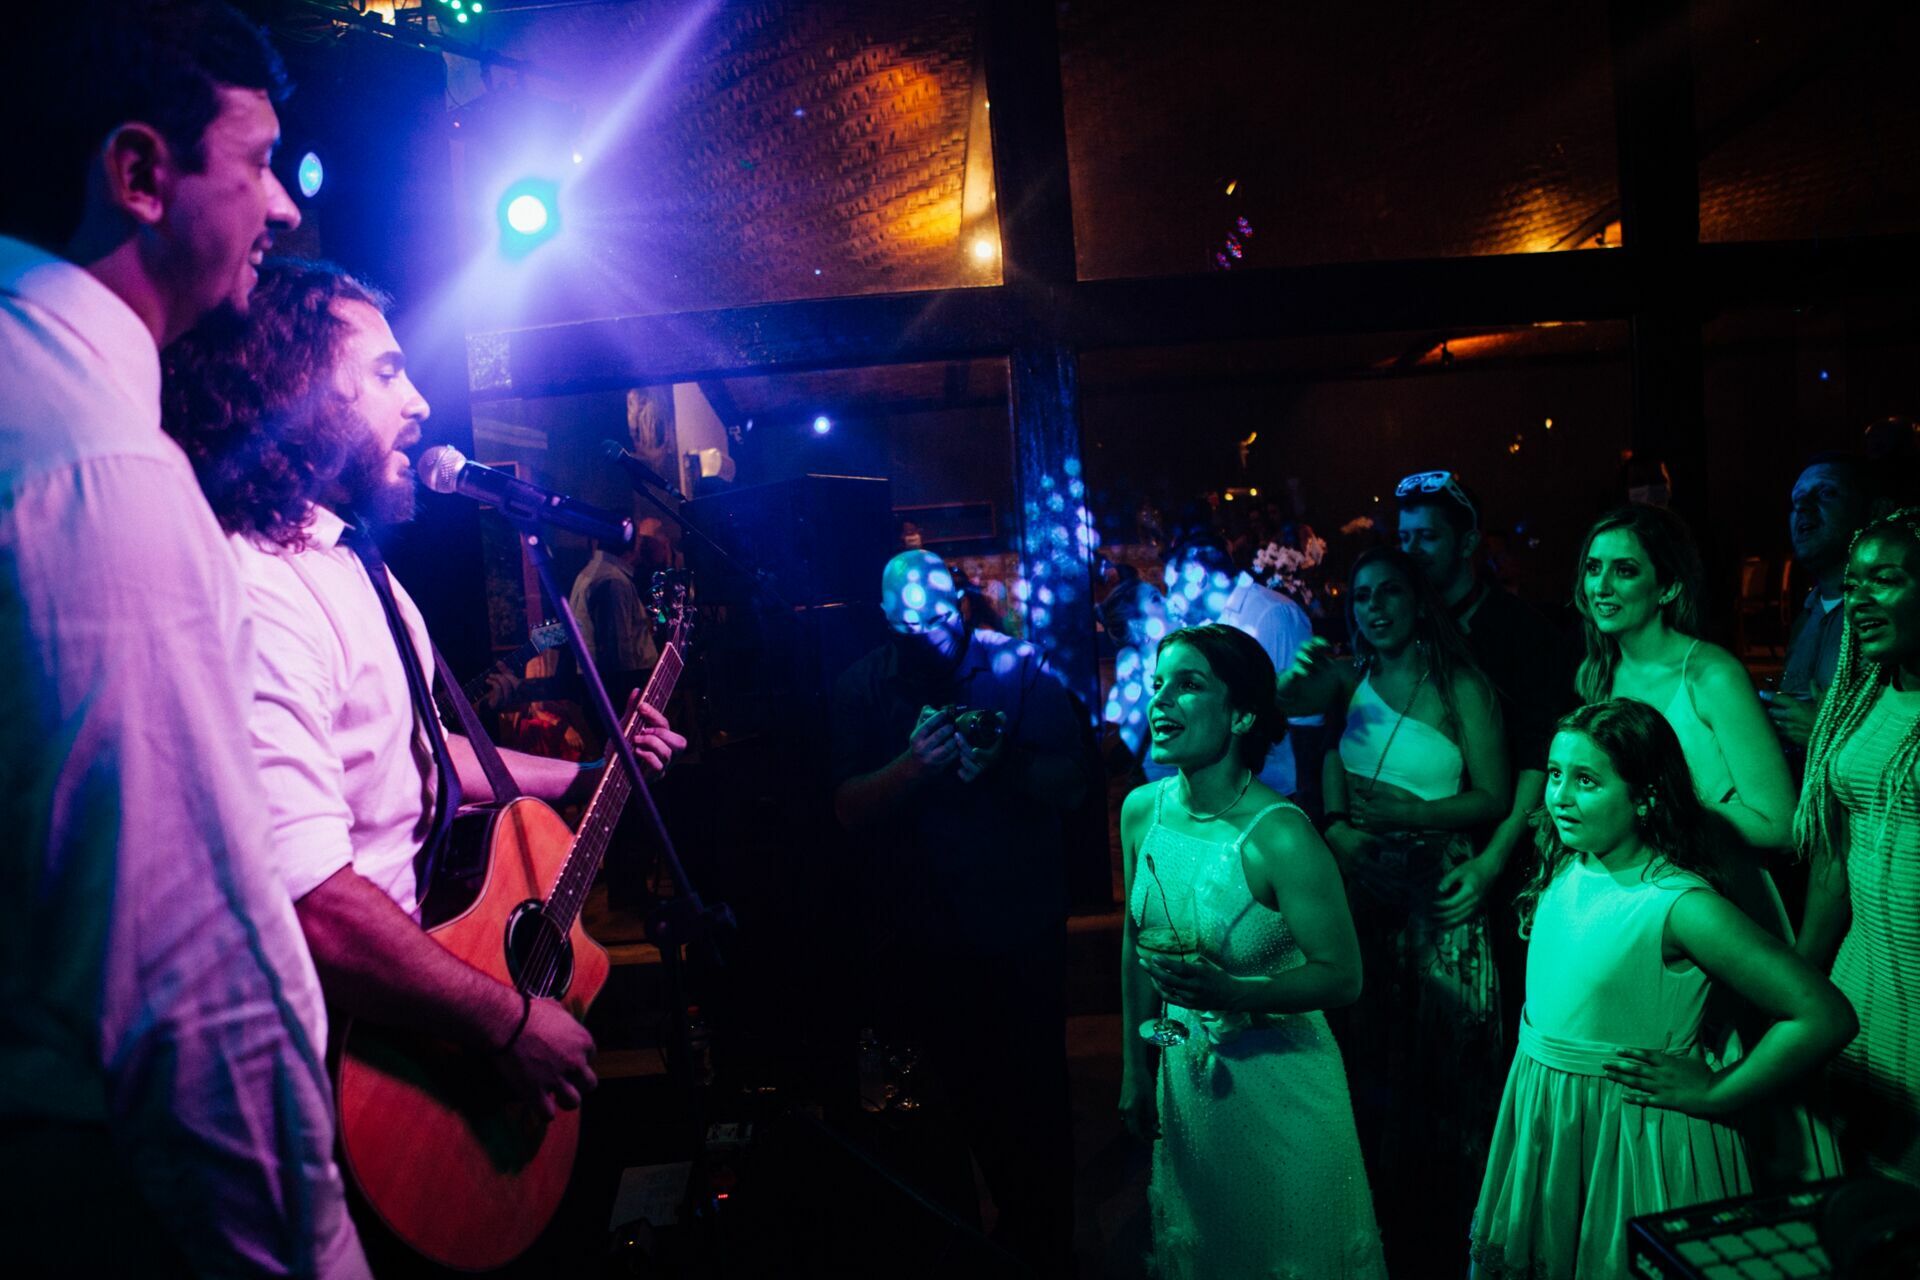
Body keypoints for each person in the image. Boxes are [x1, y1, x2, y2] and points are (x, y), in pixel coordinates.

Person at [161, 259, 684, 1262]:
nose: (423, 400)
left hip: (419, 1027)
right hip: (348, 1065)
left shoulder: (357, 564)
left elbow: (429, 752)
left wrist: (593, 773)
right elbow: (309, 896)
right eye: (391, 371)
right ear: (302, 395)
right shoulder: (261, 588)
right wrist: (502, 1022)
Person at [0, 7, 367, 1276]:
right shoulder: (98, 469)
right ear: (142, 174)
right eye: (257, 163)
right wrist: (315, 1251)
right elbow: (191, 979)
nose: (285, 210)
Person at [1470, 700, 1856, 1279]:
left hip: (1635, 1137)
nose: (1560, 797)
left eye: (1587, 780)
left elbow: (1822, 1015)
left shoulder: (1680, 906)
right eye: (1555, 774)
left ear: (1646, 796)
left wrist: (1719, 1093)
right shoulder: (1571, 864)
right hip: (1551, 1119)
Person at [831, 549, 1089, 1271]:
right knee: (949, 1110)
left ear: (963, 599)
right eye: (914, 619)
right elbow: (845, 808)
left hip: (1019, 931)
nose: (935, 628)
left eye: (945, 609)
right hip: (922, 938)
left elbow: (1073, 784)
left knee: (1036, 1105)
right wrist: (913, 766)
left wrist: (1002, 762)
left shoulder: (1019, 666)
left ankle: (1046, 1251)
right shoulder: (862, 686)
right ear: (887, 618)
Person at [1119, 623, 1384, 1279]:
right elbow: (1134, 946)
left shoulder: (1282, 835)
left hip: (1283, 1091)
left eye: (1188, 685)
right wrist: (1133, 1066)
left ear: (1240, 713)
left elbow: (1344, 977)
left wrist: (1238, 992)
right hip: (1189, 1083)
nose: (1160, 701)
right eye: (1157, 685)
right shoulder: (1139, 812)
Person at [1312, 547, 1510, 1272]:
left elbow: (1492, 794)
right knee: (1372, 1055)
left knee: (1447, 1058)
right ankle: (1383, 1226)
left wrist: (1414, 810)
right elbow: (1330, 757)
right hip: (1363, 882)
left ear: (1418, 601)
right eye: (1361, 596)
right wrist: (1339, 829)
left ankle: (1456, 1231)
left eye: (1389, 592)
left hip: (1438, 881)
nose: (1375, 607)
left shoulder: (1462, 687)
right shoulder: (1348, 680)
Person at [1396, 469, 1574, 1019]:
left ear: (1468, 543)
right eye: (1404, 538)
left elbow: (1538, 757)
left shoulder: (1521, 631)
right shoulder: (1401, 627)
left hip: (1499, 855)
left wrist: (1493, 862)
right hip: (1415, 862)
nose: (1412, 550)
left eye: (1427, 536)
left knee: (1493, 1016)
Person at [1795, 506, 1920, 1187]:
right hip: (1858, 1008)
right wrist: (1795, 986)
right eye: (1855, 581)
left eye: (1888, 579)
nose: (1863, 598)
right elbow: (1830, 865)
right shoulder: (1860, 701)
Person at [1768, 454, 1886, 751]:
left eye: (1826, 493)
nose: (1803, 508)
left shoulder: (1892, 613)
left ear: (1872, 510)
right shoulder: (1807, 615)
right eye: (1796, 500)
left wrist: (1827, 733)